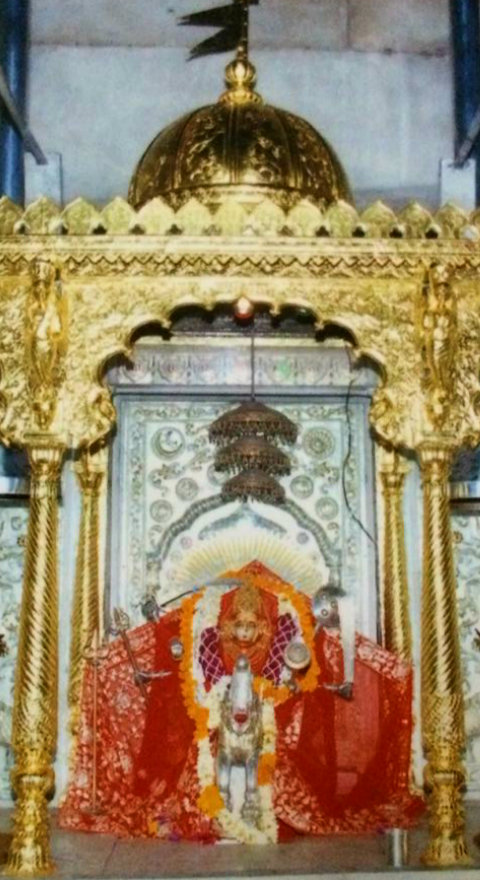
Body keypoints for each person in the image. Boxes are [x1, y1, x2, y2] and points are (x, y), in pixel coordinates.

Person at [59, 561, 423, 842]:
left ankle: (256, 813)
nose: (245, 633)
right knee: (205, 763)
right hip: (216, 728)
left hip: (266, 733)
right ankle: (217, 814)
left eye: (252, 626)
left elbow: (297, 680)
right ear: (227, 625)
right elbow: (196, 684)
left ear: (264, 627)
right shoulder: (207, 642)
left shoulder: (285, 642)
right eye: (239, 626)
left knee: (270, 767)